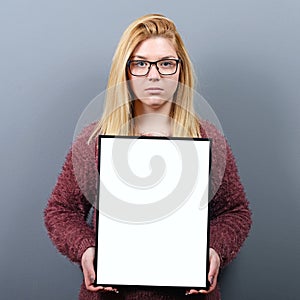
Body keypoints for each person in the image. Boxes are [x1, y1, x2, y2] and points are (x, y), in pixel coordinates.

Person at [44, 14, 252, 300]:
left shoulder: (207, 138)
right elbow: (60, 210)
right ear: (125, 71)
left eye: (166, 63)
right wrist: (87, 248)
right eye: (141, 63)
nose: (154, 75)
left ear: (181, 71)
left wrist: (213, 249)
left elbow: (235, 212)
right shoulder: (93, 141)